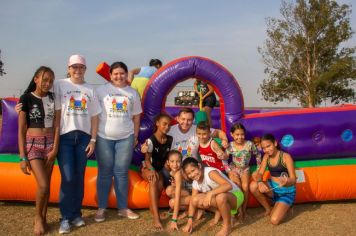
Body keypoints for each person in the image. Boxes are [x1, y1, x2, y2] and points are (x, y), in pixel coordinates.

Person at [54, 55, 101, 234]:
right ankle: (65, 217)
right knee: (67, 178)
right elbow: (40, 90)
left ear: (85, 70)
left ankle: (76, 214)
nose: (77, 70)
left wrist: (93, 140)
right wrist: (23, 103)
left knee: (79, 177)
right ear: (68, 68)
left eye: (81, 67)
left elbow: (95, 116)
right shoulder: (59, 84)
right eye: (74, 67)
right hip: (65, 137)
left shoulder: (90, 89)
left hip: (83, 138)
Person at [94, 62, 141, 223]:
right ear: (110, 75)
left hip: (126, 137)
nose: (119, 76)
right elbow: (93, 114)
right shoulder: (100, 91)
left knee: (121, 172)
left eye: (122, 73)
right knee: (105, 172)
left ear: (126, 74)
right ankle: (101, 208)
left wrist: (135, 136)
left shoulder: (132, 93)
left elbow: (136, 117)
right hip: (103, 137)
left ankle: (122, 208)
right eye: (116, 73)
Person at [18, 66, 59, 235]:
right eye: (44, 79)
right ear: (36, 79)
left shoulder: (53, 98)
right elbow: (21, 130)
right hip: (33, 143)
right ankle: (37, 218)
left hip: (50, 144)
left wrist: (55, 148)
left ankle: (44, 217)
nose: (47, 83)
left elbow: (57, 125)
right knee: (42, 184)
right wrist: (22, 157)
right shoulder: (26, 98)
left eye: (50, 81)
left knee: (47, 186)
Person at [181, 158, 244, 236]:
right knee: (195, 199)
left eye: (193, 170)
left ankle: (227, 227)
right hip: (221, 198)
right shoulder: (195, 183)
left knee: (220, 197)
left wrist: (210, 193)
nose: (192, 175)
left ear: (199, 166)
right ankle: (221, 212)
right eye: (189, 173)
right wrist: (189, 221)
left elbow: (228, 186)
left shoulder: (210, 173)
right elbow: (192, 202)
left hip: (236, 196)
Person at [249, 134, 296, 225]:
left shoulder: (286, 157)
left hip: (286, 192)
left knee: (274, 220)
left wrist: (287, 181)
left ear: (275, 143)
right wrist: (259, 182)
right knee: (253, 186)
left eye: (268, 146)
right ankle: (268, 208)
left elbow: (293, 179)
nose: (266, 150)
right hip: (273, 189)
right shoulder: (266, 157)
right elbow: (260, 174)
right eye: (264, 148)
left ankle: (285, 206)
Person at [140, 113, 173, 230]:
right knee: (154, 180)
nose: (167, 127)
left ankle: (152, 209)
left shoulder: (170, 139)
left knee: (159, 183)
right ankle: (156, 218)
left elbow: (167, 156)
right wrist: (152, 170)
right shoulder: (150, 140)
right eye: (164, 124)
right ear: (157, 123)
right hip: (147, 167)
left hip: (159, 169)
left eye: (169, 125)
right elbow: (147, 160)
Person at [225, 123, 262, 220]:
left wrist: (258, 169)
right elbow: (224, 159)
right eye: (237, 135)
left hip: (245, 169)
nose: (240, 137)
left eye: (242, 134)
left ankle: (243, 210)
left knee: (245, 187)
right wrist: (229, 171)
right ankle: (237, 210)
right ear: (232, 134)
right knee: (237, 186)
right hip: (234, 168)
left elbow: (258, 155)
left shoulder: (249, 144)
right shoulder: (230, 145)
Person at [165, 150, 191, 231]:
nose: (175, 164)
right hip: (187, 193)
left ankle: (195, 209)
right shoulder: (172, 172)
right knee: (169, 191)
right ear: (168, 162)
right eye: (172, 161)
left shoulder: (178, 173)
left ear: (181, 162)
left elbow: (178, 194)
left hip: (193, 195)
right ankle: (188, 210)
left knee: (172, 201)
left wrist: (174, 219)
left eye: (178, 161)